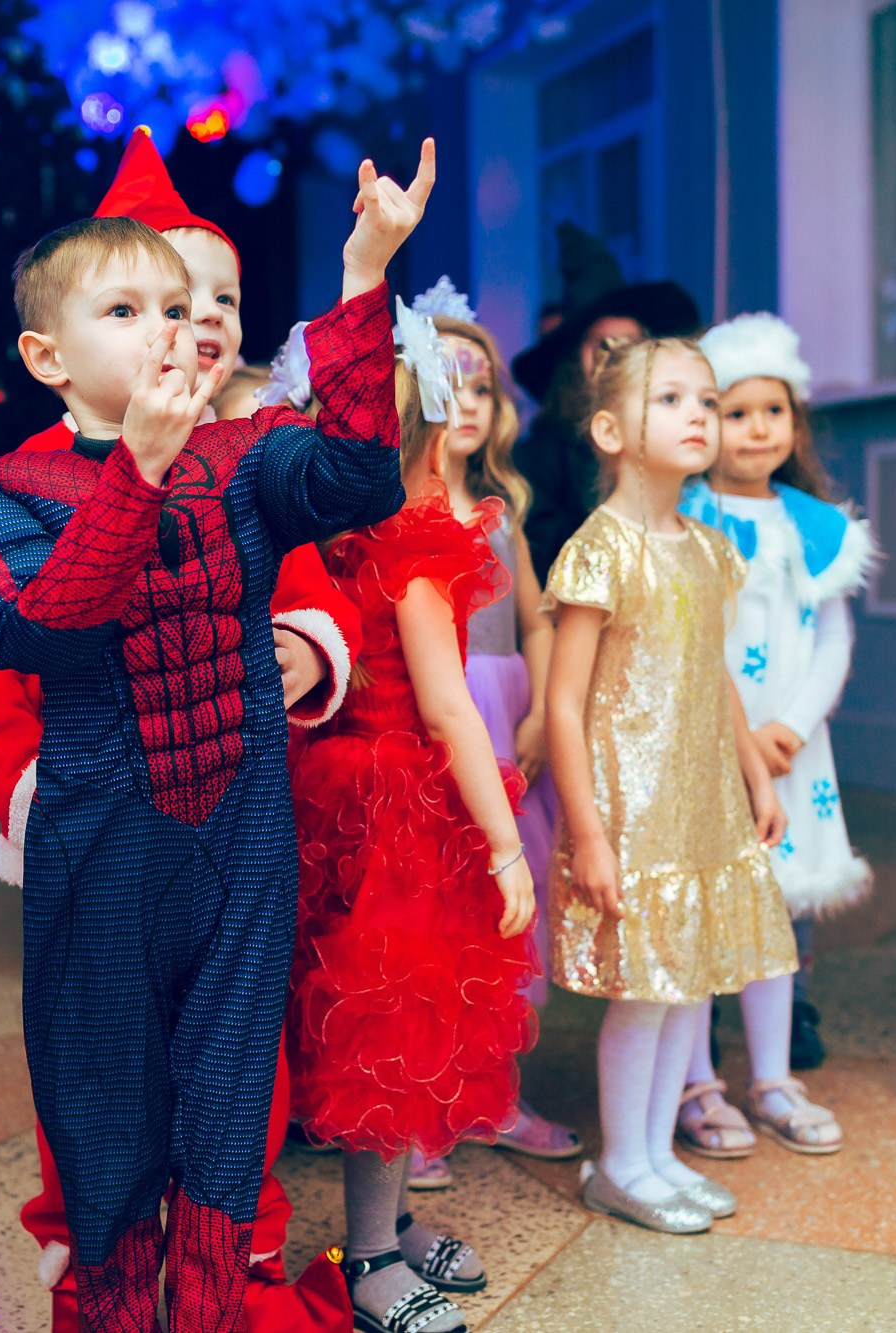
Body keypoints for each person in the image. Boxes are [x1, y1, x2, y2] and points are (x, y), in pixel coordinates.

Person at [0, 138, 433, 1327]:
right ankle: (109, 1304)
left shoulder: (246, 454)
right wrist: (138, 472)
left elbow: (365, 478)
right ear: (46, 356)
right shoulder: (5, 489)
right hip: (97, 853)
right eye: (128, 308)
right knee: (103, 1109)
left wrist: (363, 275)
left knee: (229, 1107)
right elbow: (39, 628)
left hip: (241, 847)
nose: (171, 326)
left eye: (181, 304)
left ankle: (222, 1302)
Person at [284, 300, 538, 1333]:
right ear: (434, 435)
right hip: (398, 815)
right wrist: (507, 843)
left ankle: (382, 1223)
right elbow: (446, 707)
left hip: (322, 794)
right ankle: (374, 1249)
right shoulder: (416, 548)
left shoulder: (321, 538)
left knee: (367, 1040)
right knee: (390, 1042)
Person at [542, 335, 793, 1235]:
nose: (701, 416)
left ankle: (656, 1156)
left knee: (689, 985)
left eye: (709, 401)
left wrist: (755, 772)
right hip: (631, 809)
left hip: (703, 805)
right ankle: (621, 1163)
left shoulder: (707, 549)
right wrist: (592, 832)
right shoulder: (600, 548)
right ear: (611, 430)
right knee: (643, 994)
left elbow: (714, 672)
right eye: (674, 400)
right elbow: (564, 704)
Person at [384, 282, 580, 1198]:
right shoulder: (394, 517)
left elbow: (535, 619)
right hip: (436, 732)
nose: (468, 402)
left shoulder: (501, 515)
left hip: (510, 728)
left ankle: (494, 1095)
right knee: (438, 921)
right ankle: (422, 1109)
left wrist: (543, 708)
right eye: (447, 381)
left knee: (513, 919)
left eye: (483, 386)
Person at [664, 313, 875, 1160]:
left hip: (791, 748)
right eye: (736, 411)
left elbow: (833, 638)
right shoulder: (682, 515)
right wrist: (739, 730)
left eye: (772, 412)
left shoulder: (812, 525)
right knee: (697, 915)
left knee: (773, 916)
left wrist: (790, 724)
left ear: (795, 422)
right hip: (705, 738)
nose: (757, 429)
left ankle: (775, 1077)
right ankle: (694, 1084)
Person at [507, 222, 701, 580]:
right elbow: (546, 561)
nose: (618, 357)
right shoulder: (535, 460)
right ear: (574, 360)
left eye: (632, 344)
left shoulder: (683, 433)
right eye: (603, 345)